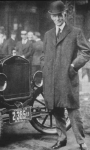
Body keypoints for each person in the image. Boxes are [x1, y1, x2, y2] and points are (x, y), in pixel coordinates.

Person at [42, 1, 90, 150]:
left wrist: (73, 66)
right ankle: (61, 139)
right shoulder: (48, 35)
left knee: (73, 111)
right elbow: (44, 55)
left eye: (59, 15)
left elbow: (86, 52)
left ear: (65, 14)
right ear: (51, 17)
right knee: (56, 111)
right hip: (52, 79)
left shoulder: (75, 32)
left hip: (68, 78)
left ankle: (81, 142)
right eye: (54, 16)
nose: (57, 19)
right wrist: (45, 67)